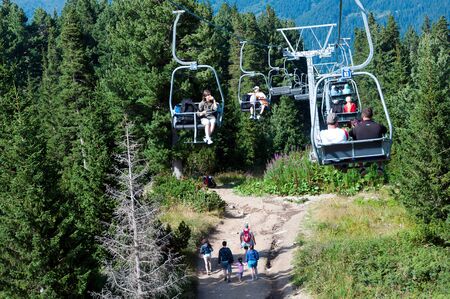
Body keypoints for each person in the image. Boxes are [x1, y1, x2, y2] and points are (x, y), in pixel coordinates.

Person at [349, 107, 387, 175]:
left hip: (360, 154)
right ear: (372, 116)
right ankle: (380, 166)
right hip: (377, 153)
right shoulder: (378, 126)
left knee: (355, 142)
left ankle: (361, 167)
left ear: (362, 116)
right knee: (380, 140)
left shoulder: (357, 127)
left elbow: (350, 134)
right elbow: (385, 130)